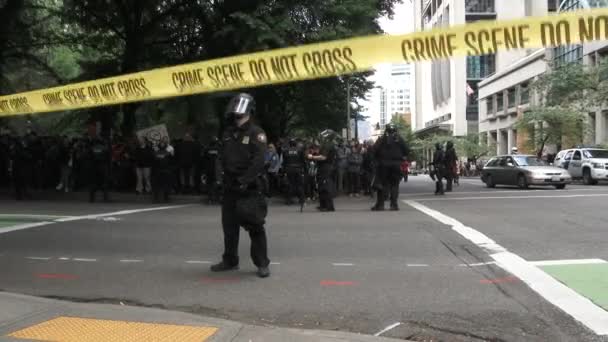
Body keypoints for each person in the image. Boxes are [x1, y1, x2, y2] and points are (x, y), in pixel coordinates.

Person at [211, 93, 271, 278]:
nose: (236, 111)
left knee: (255, 226)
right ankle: (230, 260)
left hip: (249, 187)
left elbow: (259, 161)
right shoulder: (228, 132)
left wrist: (244, 180)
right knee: (229, 227)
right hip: (230, 186)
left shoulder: (256, 132)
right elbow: (220, 157)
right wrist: (219, 179)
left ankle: (262, 264)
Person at [372, 124, 409, 211]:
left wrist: (377, 159)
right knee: (394, 185)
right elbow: (407, 150)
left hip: (383, 165)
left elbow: (374, 150)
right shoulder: (399, 140)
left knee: (381, 184)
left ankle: (380, 205)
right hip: (396, 164)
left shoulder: (381, 139)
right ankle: (394, 205)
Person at [309, 130, 337, 212]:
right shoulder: (328, 144)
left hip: (326, 167)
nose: (321, 137)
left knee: (325, 186)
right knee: (321, 186)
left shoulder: (328, 145)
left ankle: (329, 206)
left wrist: (312, 157)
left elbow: (324, 157)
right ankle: (323, 205)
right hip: (324, 167)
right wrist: (316, 153)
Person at [86, 135, 111, 203]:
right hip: (103, 167)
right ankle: (105, 198)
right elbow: (108, 159)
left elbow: (88, 158)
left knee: (93, 183)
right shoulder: (105, 148)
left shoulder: (91, 148)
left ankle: (91, 198)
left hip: (94, 167)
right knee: (104, 182)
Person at [283, 138, 306, 207]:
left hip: (289, 169)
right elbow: (303, 161)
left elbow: (284, 162)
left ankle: (289, 200)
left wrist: (284, 170)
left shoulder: (286, 151)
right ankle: (302, 200)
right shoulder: (300, 150)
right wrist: (304, 169)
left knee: (290, 184)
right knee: (299, 184)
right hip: (298, 169)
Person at [152, 137, 174, 202]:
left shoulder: (169, 149)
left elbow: (171, 158)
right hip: (158, 169)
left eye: (163, 142)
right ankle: (156, 198)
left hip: (166, 169)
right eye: (161, 142)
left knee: (166, 184)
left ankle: (166, 197)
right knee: (157, 185)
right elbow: (154, 158)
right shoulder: (156, 149)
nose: (162, 143)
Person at [203, 137, 221, 204]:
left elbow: (204, 158)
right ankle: (217, 198)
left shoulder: (207, 149)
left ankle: (210, 198)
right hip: (217, 169)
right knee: (217, 184)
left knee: (209, 184)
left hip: (208, 169)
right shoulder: (219, 149)